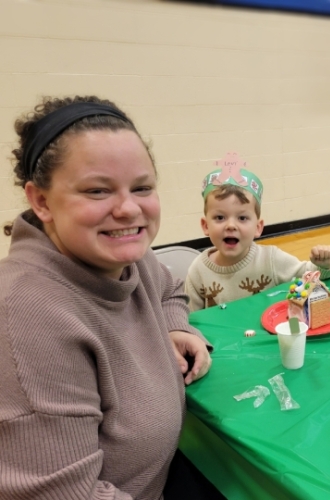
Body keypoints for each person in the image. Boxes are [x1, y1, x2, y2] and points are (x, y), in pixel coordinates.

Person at [0, 96, 221, 499]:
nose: (127, 208)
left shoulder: (123, 257)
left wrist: (176, 326)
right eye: (98, 190)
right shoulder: (28, 318)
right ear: (41, 201)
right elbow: (61, 493)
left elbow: (168, 288)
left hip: (163, 471)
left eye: (142, 188)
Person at [185, 159, 330, 310]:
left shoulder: (271, 259)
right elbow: (191, 322)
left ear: (258, 227)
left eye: (242, 218)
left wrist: (324, 265)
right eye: (220, 217)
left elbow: (309, 275)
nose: (231, 226)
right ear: (205, 226)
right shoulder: (198, 271)